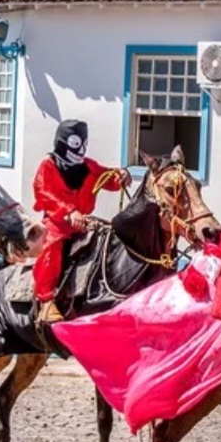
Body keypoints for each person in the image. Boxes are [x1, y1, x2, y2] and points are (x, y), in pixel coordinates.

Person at [32, 120, 131, 323]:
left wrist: (121, 175)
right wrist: (69, 212)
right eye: (75, 143)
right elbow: (44, 193)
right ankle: (46, 300)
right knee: (52, 246)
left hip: (85, 223)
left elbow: (108, 178)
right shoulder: (48, 167)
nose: (80, 150)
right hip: (57, 223)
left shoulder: (89, 166)